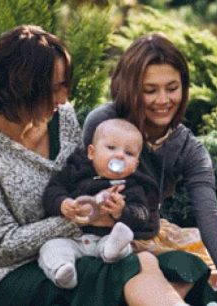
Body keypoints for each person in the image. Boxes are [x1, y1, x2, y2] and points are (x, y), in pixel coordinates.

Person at [0, 25, 211, 306]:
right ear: (20, 88)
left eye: (65, 85)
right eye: (54, 88)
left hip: (84, 249)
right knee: (137, 268)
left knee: (177, 264)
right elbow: (0, 247)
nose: (64, 98)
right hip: (11, 274)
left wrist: (114, 208)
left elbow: (88, 179)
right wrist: (77, 220)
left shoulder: (62, 117)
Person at [83, 32, 217, 303]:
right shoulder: (103, 123)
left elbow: (208, 213)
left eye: (172, 88)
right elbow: (76, 181)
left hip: (150, 233)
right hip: (100, 238)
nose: (163, 100)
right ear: (130, 89)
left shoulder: (187, 147)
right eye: (150, 90)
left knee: (201, 266)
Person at [38, 119, 159, 289]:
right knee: (51, 247)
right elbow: (52, 190)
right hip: (73, 238)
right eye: (111, 148)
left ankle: (113, 251)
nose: (119, 155)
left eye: (129, 153)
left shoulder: (132, 186)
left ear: (135, 166)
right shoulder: (76, 172)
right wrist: (62, 203)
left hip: (106, 238)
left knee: (122, 242)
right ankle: (63, 270)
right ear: (91, 152)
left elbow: (142, 214)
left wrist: (121, 212)